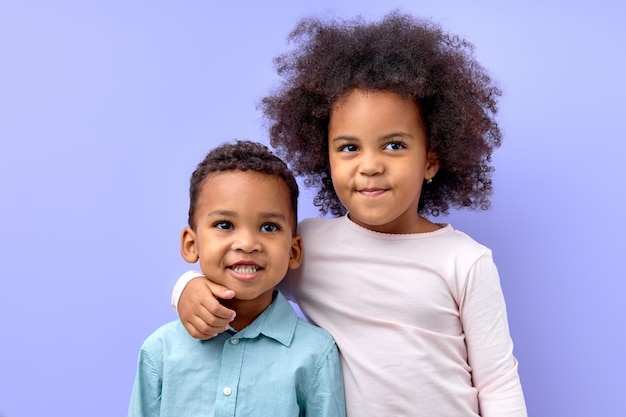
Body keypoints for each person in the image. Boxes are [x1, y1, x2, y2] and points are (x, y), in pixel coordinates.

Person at [172, 12, 527, 417]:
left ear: (430, 160)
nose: (370, 165)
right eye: (348, 147)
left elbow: (497, 381)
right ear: (324, 156)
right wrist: (186, 287)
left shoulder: (465, 261)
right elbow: (242, 269)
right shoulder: (307, 247)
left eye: (393, 145)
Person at [128, 140, 346, 417]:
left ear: (293, 251)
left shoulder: (316, 353)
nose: (246, 243)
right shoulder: (160, 351)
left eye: (269, 227)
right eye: (225, 225)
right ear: (191, 244)